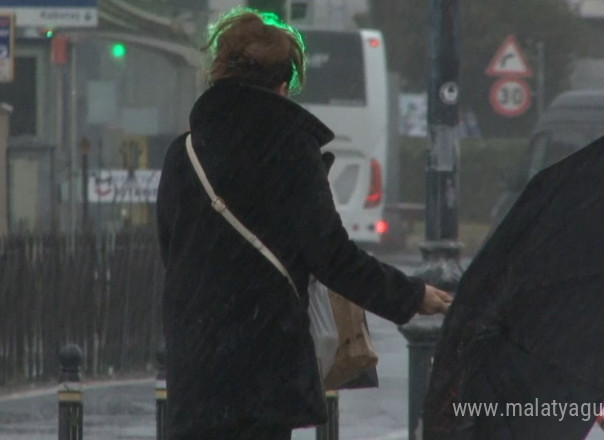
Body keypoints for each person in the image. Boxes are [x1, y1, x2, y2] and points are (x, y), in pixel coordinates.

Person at [156, 8, 453, 440]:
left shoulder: (183, 155)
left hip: (195, 372)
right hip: (261, 371)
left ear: (220, 74)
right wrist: (411, 296)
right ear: (282, 84)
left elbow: (172, 252)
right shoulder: (291, 151)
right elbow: (331, 256)